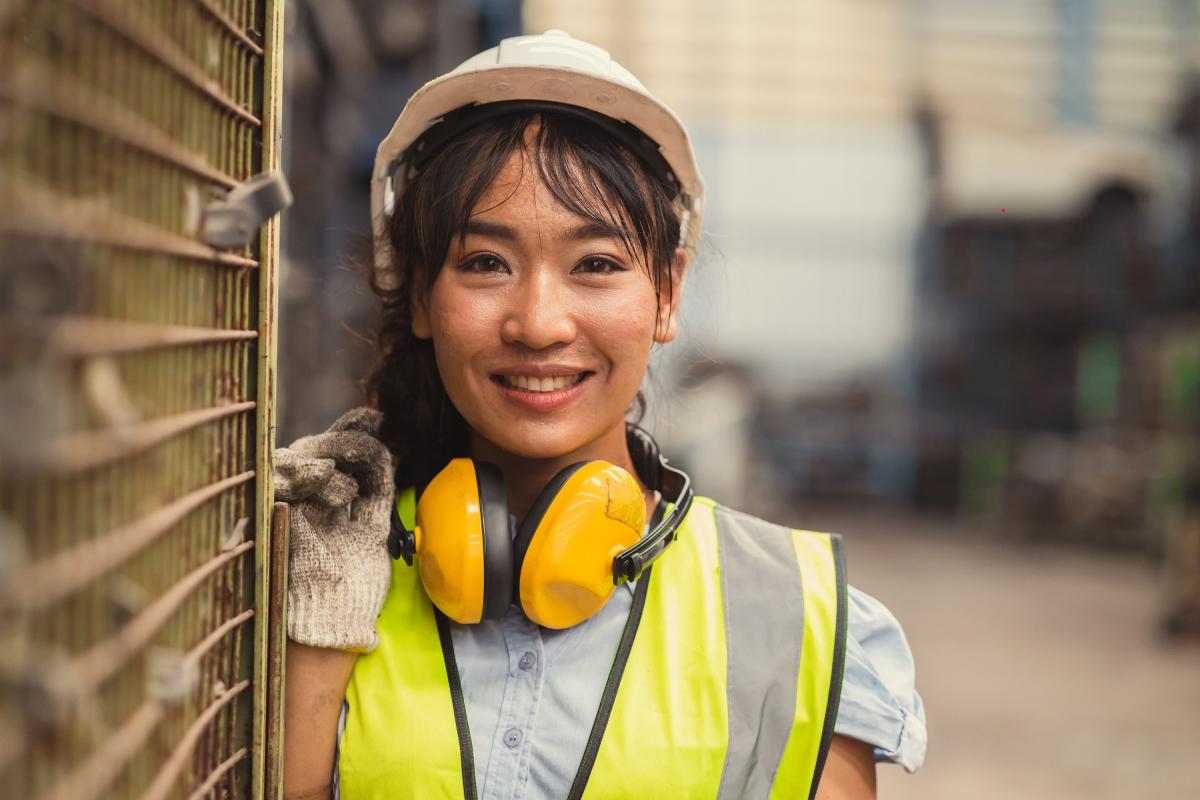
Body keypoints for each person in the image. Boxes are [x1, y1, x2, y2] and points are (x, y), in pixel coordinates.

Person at [277, 30, 925, 800]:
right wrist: (314, 633)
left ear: (669, 293)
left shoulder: (801, 619)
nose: (540, 323)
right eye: (486, 263)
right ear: (421, 295)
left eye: (597, 264)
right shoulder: (333, 568)